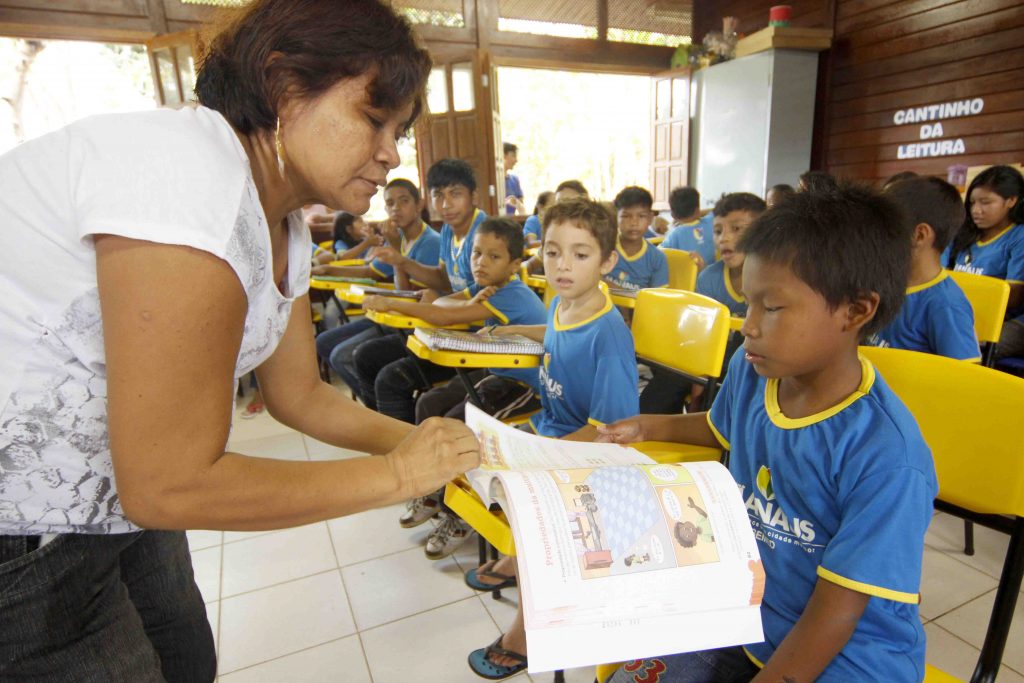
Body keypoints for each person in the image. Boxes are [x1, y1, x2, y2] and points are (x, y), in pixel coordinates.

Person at [0, 2, 482, 680]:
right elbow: (168, 482)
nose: (392, 154)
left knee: (186, 658)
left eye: (399, 131)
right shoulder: (183, 178)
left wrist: (418, 445)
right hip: (26, 533)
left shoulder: (282, 221)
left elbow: (299, 395)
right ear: (284, 85)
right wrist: (396, 476)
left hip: (111, 499)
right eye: (375, 120)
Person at [601, 183, 936, 683]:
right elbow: (720, 430)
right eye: (748, 303)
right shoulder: (754, 369)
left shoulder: (888, 456)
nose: (747, 326)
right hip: (746, 611)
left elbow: (836, 613)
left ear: (856, 311)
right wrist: (646, 424)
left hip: (848, 655)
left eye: (772, 308)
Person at [466, 198, 639, 680]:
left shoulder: (610, 333)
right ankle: (515, 557)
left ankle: (526, 632)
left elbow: (613, 431)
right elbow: (555, 334)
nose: (563, 265)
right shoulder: (564, 304)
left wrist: (544, 455)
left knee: (536, 500)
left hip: (592, 452)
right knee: (480, 451)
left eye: (580, 255)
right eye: (553, 252)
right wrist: (513, 330)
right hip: (555, 434)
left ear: (607, 262)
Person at [385, 218, 547, 558]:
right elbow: (443, 304)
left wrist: (392, 303)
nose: (480, 263)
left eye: (493, 257)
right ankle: (434, 489)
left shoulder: (513, 293)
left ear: (515, 264)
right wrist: (465, 300)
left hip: (525, 386)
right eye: (476, 254)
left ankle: (462, 515)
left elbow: (442, 317)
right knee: (429, 404)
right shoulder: (488, 286)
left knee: (462, 426)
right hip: (497, 376)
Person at [639, 193, 765, 415]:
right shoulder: (709, 278)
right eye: (718, 231)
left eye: (737, 229)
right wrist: (698, 386)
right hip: (707, 362)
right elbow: (698, 339)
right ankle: (641, 430)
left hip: (751, 365)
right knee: (668, 379)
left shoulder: (772, 281)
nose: (724, 238)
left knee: (725, 392)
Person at [313, 179, 440, 392]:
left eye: (404, 201)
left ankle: (378, 408)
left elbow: (406, 294)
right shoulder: (397, 237)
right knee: (324, 341)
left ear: (419, 205)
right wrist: (329, 269)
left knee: (344, 356)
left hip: (413, 323)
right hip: (395, 316)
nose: (396, 208)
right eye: (390, 204)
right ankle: (376, 404)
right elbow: (371, 269)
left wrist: (397, 251)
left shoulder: (430, 242)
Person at [870, 176, 979, 360]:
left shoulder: (946, 305)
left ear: (919, 235)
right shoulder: (884, 282)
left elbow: (964, 379)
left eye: (884, 229)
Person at [944, 165, 1024, 360]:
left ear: (1011, 201)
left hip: (1009, 322)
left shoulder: (1018, 236)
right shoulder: (964, 236)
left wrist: (958, 293)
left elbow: (1013, 296)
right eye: (972, 203)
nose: (976, 210)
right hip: (965, 316)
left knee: (961, 348)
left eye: (986, 202)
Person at [605, 186, 669, 293]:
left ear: (650, 218)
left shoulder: (657, 258)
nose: (634, 223)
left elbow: (658, 298)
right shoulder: (604, 246)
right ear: (616, 217)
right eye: (626, 216)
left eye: (641, 216)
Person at [523, 180, 588, 275]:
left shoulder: (594, 238)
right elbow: (529, 266)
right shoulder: (554, 243)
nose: (563, 210)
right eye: (559, 205)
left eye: (571, 204)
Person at [660, 185, 715, 269]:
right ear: (697, 210)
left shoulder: (674, 235)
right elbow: (718, 209)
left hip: (689, 280)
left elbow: (657, 254)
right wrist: (700, 213)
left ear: (673, 215)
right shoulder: (711, 221)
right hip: (712, 276)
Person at [503, 142, 525, 215]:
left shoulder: (514, 180)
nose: (516, 160)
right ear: (503, 156)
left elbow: (521, 206)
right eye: (513, 156)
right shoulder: (493, 181)